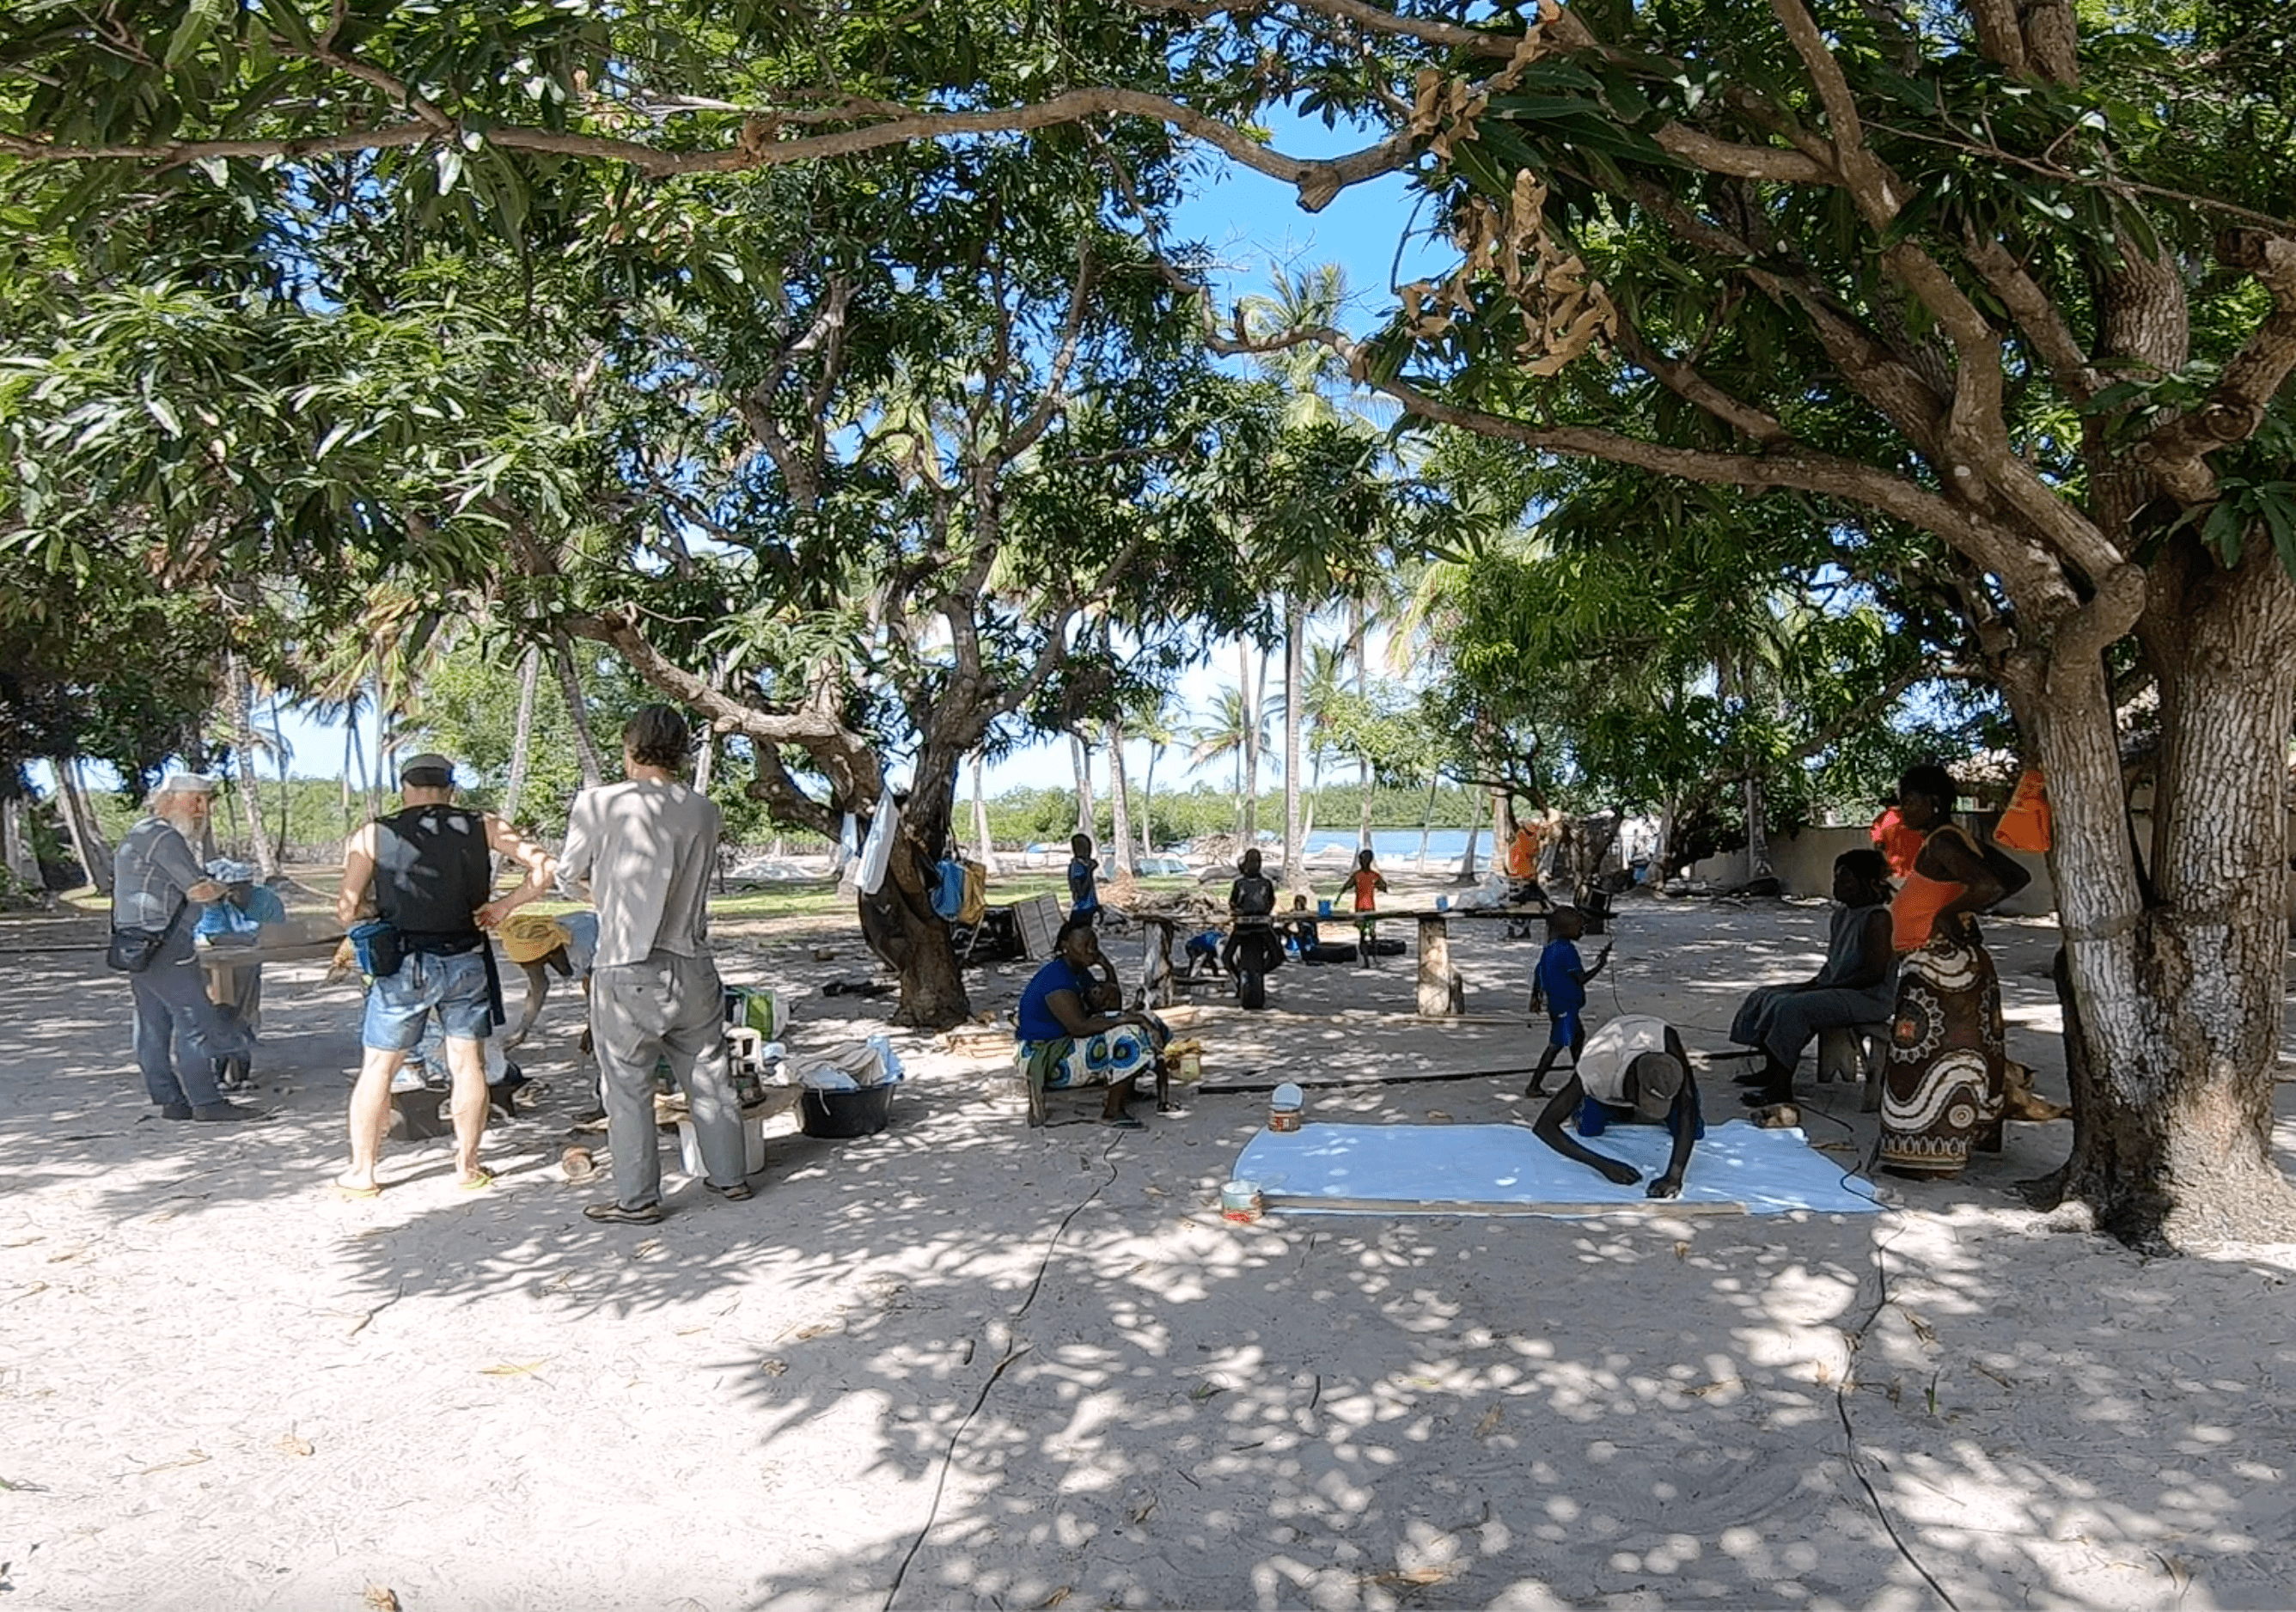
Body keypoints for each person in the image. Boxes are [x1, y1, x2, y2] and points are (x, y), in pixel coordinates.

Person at [556, 706, 753, 1224]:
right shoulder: (704, 810)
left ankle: (638, 1198)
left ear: (631, 747)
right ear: (680, 751)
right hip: (692, 959)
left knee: (626, 1087)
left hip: (625, 962)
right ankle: (730, 1177)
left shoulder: (597, 804)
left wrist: (604, 892)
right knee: (710, 1074)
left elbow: (568, 874)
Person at [333, 753, 557, 1197]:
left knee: (378, 1066)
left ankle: (363, 1173)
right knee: (467, 1064)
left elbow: (345, 908)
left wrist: (379, 910)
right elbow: (545, 867)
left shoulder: (374, 833)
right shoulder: (484, 825)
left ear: (405, 787)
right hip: (465, 957)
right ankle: (467, 1167)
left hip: (403, 963)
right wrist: (504, 906)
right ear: (451, 789)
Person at [1878, 763, 2025, 1178]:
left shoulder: (1944, 845)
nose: (1903, 809)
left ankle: (1924, 1158)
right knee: (1959, 1059)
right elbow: (2015, 876)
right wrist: (1961, 906)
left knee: (1928, 1061)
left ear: (1935, 803)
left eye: (1910, 800)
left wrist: (1948, 912)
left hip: (1942, 973)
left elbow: (1994, 887)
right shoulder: (1954, 841)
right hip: (1946, 971)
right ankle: (1961, 1142)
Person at [111, 775, 261, 1121]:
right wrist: (229, 886)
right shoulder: (163, 836)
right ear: (169, 799)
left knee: (152, 1022)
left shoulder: (140, 832)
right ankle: (207, 1103)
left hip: (137, 942)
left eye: (205, 802)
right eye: (195, 800)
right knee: (196, 1019)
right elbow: (198, 891)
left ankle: (170, 1100)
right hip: (165, 942)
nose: (202, 810)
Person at [1727, 850, 1897, 1107]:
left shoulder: (1877, 918)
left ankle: (1780, 1088)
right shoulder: (1841, 915)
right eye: (1836, 878)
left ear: (1867, 881)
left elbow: (1873, 974)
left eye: (1845, 879)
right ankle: (1771, 1070)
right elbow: (1834, 962)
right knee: (1764, 996)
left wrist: (1825, 988)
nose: (1836, 885)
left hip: (1868, 996)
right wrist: (1814, 984)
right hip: (1838, 987)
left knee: (1792, 1009)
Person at [1016, 913, 1166, 1127]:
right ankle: (1112, 1112)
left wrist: (1108, 969)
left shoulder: (1079, 972)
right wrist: (1131, 1019)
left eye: (1094, 945)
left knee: (1149, 1023)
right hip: (1045, 1054)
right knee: (1128, 1039)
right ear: (1065, 946)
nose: (1091, 950)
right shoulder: (1056, 979)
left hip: (1064, 1043)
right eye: (1084, 945)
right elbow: (1080, 1027)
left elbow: (1110, 1004)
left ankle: (1126, 1090)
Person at [1530, 1014, 1701, 1199]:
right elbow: (1544, 1126)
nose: (1649, 1110)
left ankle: (1625, 1111)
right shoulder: (1596, 1068)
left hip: (1642, 1048)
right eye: (1644, 1100)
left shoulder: (1667, 1048)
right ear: (1631, 1084)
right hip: (1607, 1085)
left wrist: (1674, 1176)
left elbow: (1687, 1106)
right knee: (1589, 1129)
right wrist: (1603, 1165)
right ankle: (1605, 1108)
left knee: (1695, 1130)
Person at [194, 858, 286, 1093]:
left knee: (244, 1013)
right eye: (231, 889)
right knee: (219, 1015)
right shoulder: (211, 904)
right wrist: (215, 904)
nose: (237, 893)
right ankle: (218, 1074)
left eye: (242, 887)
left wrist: (247, 938)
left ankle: (241, 1073)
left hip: (248, 964)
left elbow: (276, 931)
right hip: (213, 966)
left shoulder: (265, 899)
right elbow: (213, 934)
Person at [1526, 906, 1609, 1096]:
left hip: (1558, 1004)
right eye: (1580, 927)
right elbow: (1581, 978)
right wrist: (1600, 965)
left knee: (1577, 1038)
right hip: (1566, 1005)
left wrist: (1535, 995)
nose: (1582, 931)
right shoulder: (1568, 951)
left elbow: (1539, 972)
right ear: (1566, 929)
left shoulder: (1550, 949)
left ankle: (1581, 1076)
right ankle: (1534, 1085)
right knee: (1556, 1045)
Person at [1220, 848, 1279, 980]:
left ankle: (1256, 975)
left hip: (1259, 926)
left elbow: (1271, 901)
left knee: (1278, 956)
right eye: (1252, 862)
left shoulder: (1265, 883)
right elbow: (1233, 902)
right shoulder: (1241, 883)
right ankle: (1244, 978)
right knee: (1226, 957)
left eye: (1257, 862)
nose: (1255, 865)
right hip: (1245, 927)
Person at [1345, 848, 1389, 968]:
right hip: (1360, 909)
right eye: (1360, 860)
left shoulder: (1374, 876)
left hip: (1370, 908)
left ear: (1369, 861)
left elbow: (1384, 887)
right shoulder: (1357, 875)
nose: (1361, 862)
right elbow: (1346, 886)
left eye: (1364, 860)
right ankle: (1366, 960)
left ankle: (1374, 957)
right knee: (1363, 935)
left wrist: (1381, 885)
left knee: (1373, 934)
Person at [1870, 796, 1924, 882]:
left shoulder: (1881, 819)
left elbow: (1878, 844)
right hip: (1918, 869)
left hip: (1895, 869)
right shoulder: (1916, 815)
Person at [1066, 833, 1100, 921]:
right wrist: (1089, 872)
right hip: (1081, 911)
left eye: (1088, 848)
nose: (1087, 851)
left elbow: (1091, 891)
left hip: (1089, 909)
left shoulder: (1084, 865)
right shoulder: (1076, 867)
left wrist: (1097, 906)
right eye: (1083, 848)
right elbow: (1081, 892)